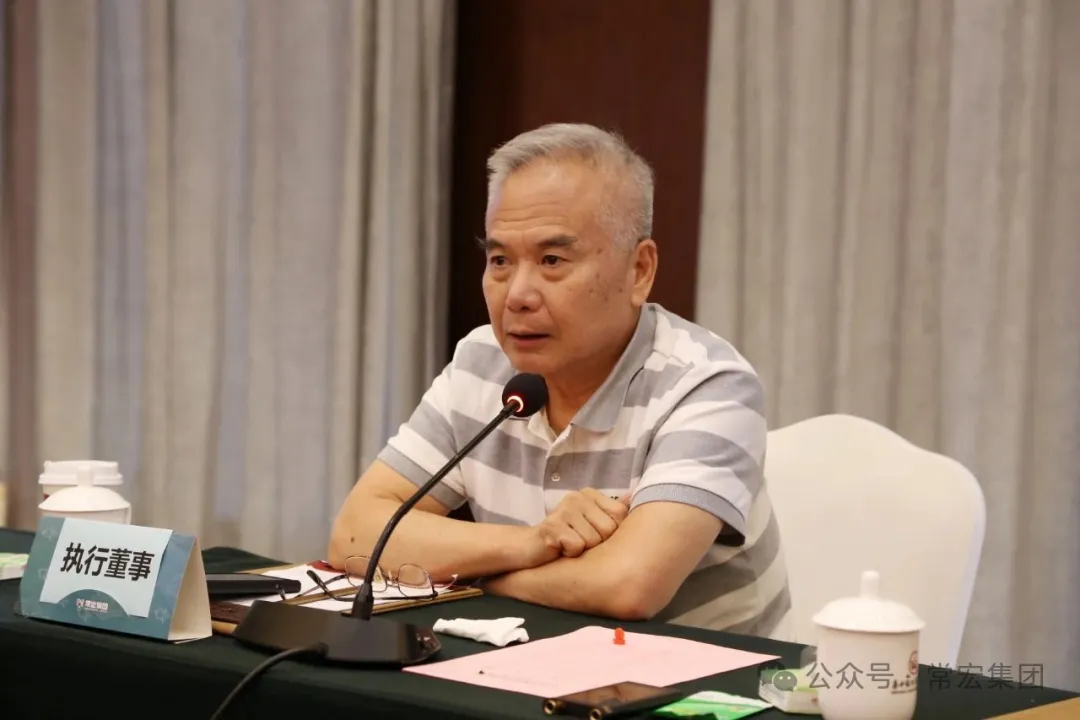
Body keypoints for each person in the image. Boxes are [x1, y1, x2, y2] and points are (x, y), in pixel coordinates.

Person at [328, 122, 791, 638]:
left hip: (704, 676)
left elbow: (628, 586)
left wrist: (469, 575)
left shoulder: (709, 384)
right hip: (527, 656)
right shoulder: (482, 362)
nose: (517, 295)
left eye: (552, 260)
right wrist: (533, 543)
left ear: (639, 270)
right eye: (500, 261)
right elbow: (356, 535)